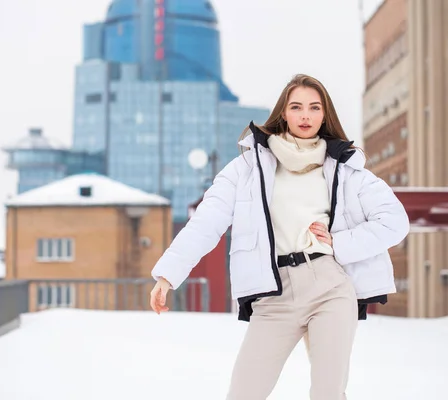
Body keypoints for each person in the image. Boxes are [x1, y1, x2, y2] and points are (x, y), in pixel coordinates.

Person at [149, 74, 410, 400]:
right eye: (296, 107)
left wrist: (339, 243)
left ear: (324, 115)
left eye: (314, 108)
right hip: (274, 293)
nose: (305, 115)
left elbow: (395, 221)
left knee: (328, 393)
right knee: (244, 393)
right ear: (283, 113)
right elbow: (206, 221)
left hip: (330, 287)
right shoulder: (247, 166)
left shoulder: (345, 168)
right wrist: (168, 275)